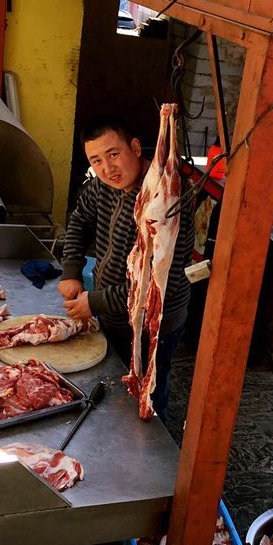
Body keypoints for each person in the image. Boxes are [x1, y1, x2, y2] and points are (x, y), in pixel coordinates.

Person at [58, 115, 194, 420]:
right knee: (115, 390)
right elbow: (80, 220)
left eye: (113, 154)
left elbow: (160, 282)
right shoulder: (102, 186)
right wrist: (71, 269)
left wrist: (94, 301)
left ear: (134, 147)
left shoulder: (169, 199)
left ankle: (151, 447)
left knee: (147, 394)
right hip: (110, 310)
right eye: (96, 160)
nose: (107, 169)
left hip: (153, 322)